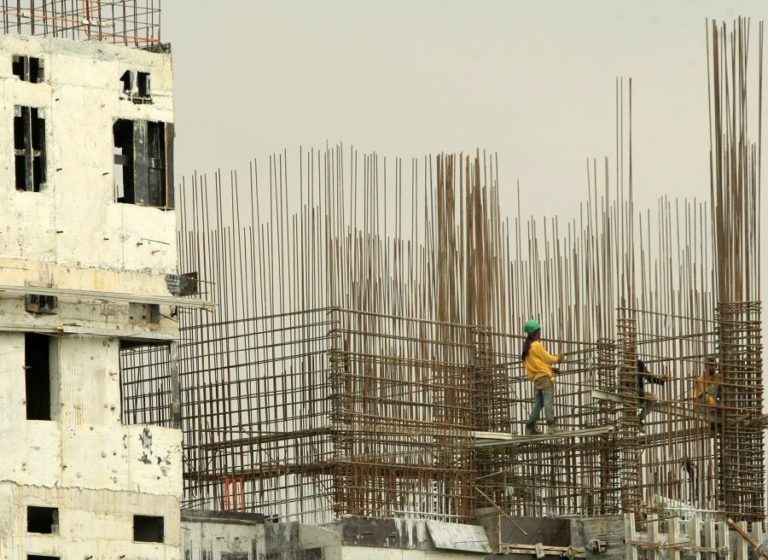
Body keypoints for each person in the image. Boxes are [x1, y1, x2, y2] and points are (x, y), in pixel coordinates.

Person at [521, 319, 563, 435]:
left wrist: (552, 369)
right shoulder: (536, 345)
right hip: (545, 379)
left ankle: (530, 428)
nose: (540, 332)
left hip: (536, 379)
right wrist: (558, 359)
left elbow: (537, 364)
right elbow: (547, 358)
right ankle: (552, 427)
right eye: (539, 330)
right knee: (548, 403)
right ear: (536, 332)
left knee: (538, 405)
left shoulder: (527, 348)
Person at [637, 359, 665, 430]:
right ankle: (639, 419)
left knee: (653, 398)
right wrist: (643, 396)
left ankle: (652, 405)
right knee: (652, 401)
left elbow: (649, 377)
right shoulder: (625, 369)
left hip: (639, 393)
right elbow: (629, 386)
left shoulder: (639, 363)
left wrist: (661, 381)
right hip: (630, 394)